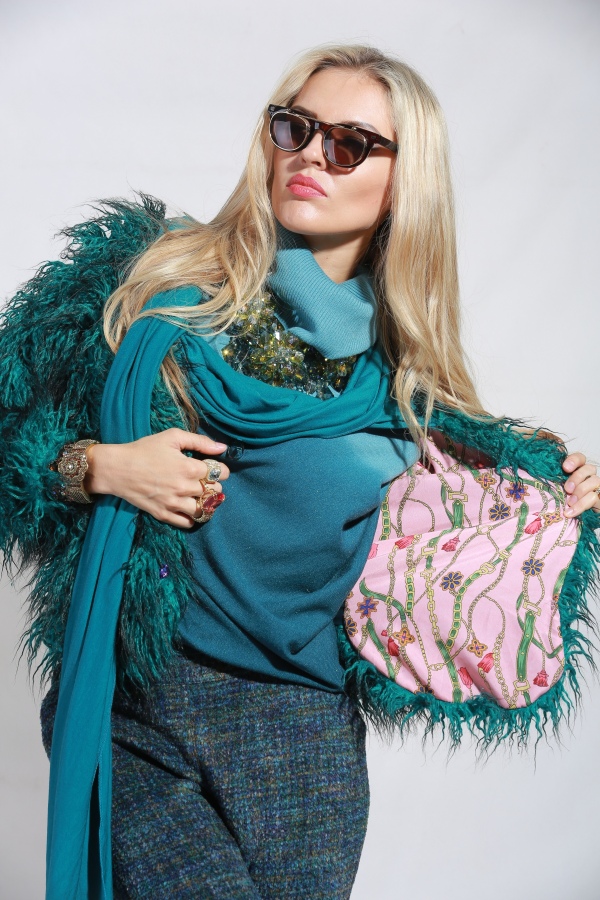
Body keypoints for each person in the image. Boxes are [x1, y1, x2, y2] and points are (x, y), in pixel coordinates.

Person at [1, 44, 599, 900]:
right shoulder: (146, 289)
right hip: (133, 704)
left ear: (402, 183)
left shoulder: (405, 388)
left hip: (298, 741)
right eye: (297, 128)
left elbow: (462, 549)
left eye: (350, 143)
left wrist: (560, 492)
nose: (313, 154)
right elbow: (10, 441)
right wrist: (98, 466)